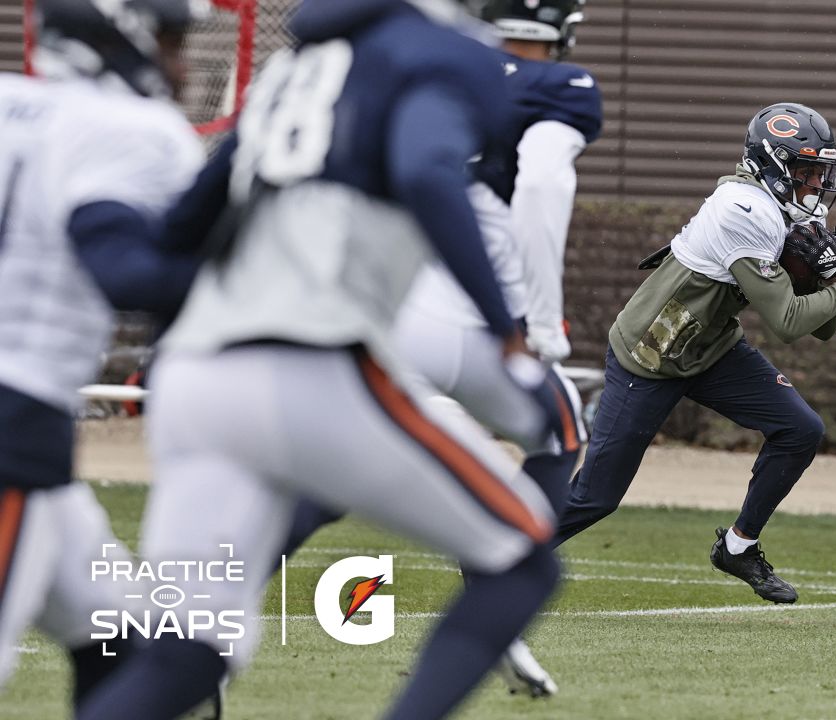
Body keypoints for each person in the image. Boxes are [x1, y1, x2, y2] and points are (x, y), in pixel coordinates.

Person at [77, 2, 568, 718]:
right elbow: (430, 172)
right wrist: (504, 325)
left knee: (183, 652)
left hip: (194, 378)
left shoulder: (294, 65)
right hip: (311, 358)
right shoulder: (442, 53)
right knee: (522, 564)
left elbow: (195, 216)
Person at [276, 0, 602, 698]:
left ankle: (201, 619)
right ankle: (503, 588)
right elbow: (544, 180)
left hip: (385, 301)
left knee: (339, 467)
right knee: (562, 429)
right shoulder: (555, 87)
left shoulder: (412, 58)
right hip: (471, 317)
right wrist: (540, 321)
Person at [550, 103, 836, 604]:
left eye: (819, 172)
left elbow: (822, 328)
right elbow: (788, 322)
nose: (815, 184)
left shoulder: (785, 207)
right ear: (773, 164)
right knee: (596, 496)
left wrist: (828, 279)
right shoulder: (744, 210)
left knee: (801, 430)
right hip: (651, 353)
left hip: (709, 345)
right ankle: (500, 552)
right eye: (805, 171)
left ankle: (739, 547)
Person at [0, 0, 206, 705]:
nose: (184, 66)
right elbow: (125, 273)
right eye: (176, 41)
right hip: (11, 422)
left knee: (124, 640)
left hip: (36, 446)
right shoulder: (134, 132)